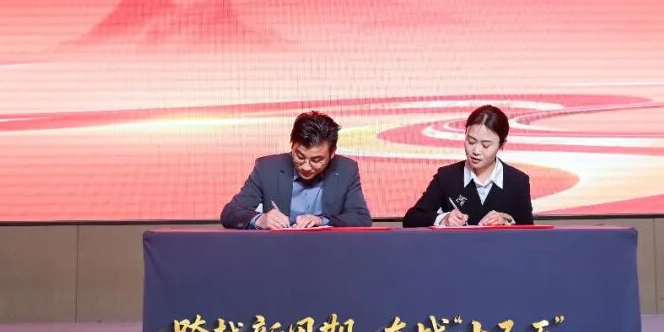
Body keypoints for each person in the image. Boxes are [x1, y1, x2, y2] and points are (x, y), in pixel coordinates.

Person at [220, 111, 372, 229]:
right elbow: (230, 213)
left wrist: (321, 220)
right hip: (277, 250)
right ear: (292, 145)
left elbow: (361, 218)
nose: (306, 166)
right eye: (299, 156)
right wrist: (261, 219)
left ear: (332, 153)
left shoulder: (347, 169)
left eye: (316, 160)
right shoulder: (267, 168)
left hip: (328, 250)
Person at [402, 105, 534, 227]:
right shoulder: (447, 177)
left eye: (486, 145)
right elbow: (411, 219)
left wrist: (507, 221)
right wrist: (443, 219)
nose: (476, 151)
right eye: (471, 141)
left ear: (501, 145)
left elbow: (529, 232)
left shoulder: (518, 181)